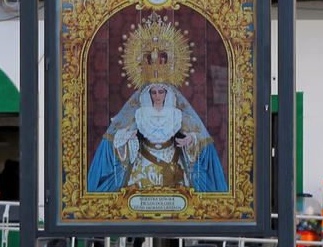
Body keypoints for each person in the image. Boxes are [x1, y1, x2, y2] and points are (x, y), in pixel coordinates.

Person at [87, 82, 228, 193]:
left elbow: (196, 133)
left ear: (167, 93)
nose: (157, 96)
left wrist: (190, 139)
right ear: (149, 94)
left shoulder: (175, 113)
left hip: (172, 158)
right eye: (153, 92)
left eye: (161, 92)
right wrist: (126, 137)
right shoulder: (141, 113)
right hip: (144, 159)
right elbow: (122, 132)